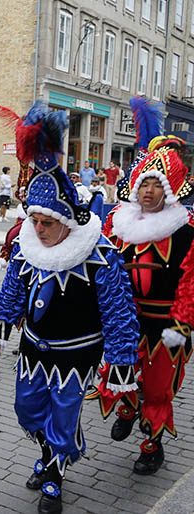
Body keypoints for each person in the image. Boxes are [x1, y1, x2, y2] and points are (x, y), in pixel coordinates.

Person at [0, 102, 139, 514]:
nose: (39, 229)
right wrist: (2, 324)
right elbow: (11, 291)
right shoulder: (27, 249)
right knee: (27, 408)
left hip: (78, 353)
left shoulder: (99, 255)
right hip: (35, 349)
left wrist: (122, 358)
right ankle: (49, 454)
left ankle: (53, 474)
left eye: (47, 222)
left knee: (64, 415)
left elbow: (119, 310)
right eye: (34, 220)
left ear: (68, 220)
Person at [96, 97, 194, 476]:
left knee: (157, 389)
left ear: (168, 190)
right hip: (125, 322)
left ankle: (152, 445)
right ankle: (127, 406)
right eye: (143, 184)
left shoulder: (184, 234)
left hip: (167, 327)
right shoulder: (119, 228)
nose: (148, 191)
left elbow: (191, 284)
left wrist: (181, 327)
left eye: (156, 184)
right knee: (118, 376)